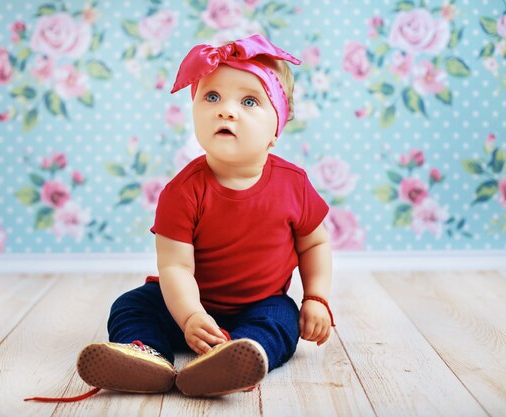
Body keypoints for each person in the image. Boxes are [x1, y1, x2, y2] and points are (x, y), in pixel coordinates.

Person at [25, 34, 334, 402]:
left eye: (249, 101)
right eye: (212, 97)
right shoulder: (183, 190)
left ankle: (240, 357)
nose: (227, 110)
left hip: (260, 300)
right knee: (131, 305)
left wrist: (316, 297)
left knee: (282, 317)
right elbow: (175, 267)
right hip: (187, 300)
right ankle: (146, 355)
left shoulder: (293, 184)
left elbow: (314, 242)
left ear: (276, 128)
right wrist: (189, 316)